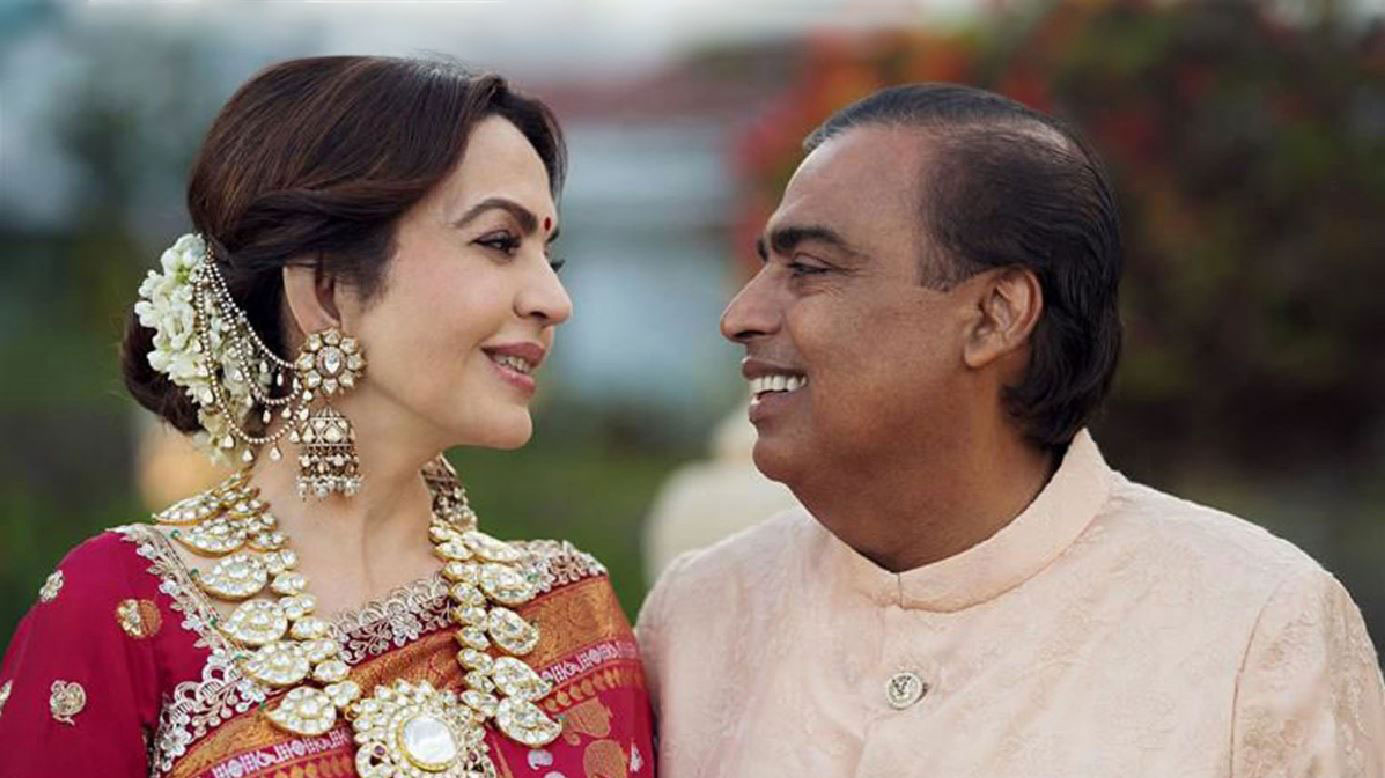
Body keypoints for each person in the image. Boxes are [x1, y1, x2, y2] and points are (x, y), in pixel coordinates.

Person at [636, 83, 1385, 776]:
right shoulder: (706, 611)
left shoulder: (1254, 626)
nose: (740, 315)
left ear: (995, 316)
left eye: (808, 267)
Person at [0, 56, 653, 778]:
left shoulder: (569, 614)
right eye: (500, 242)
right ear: (327, 290)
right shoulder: (127, 608)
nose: (554, 301)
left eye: (548, 256)